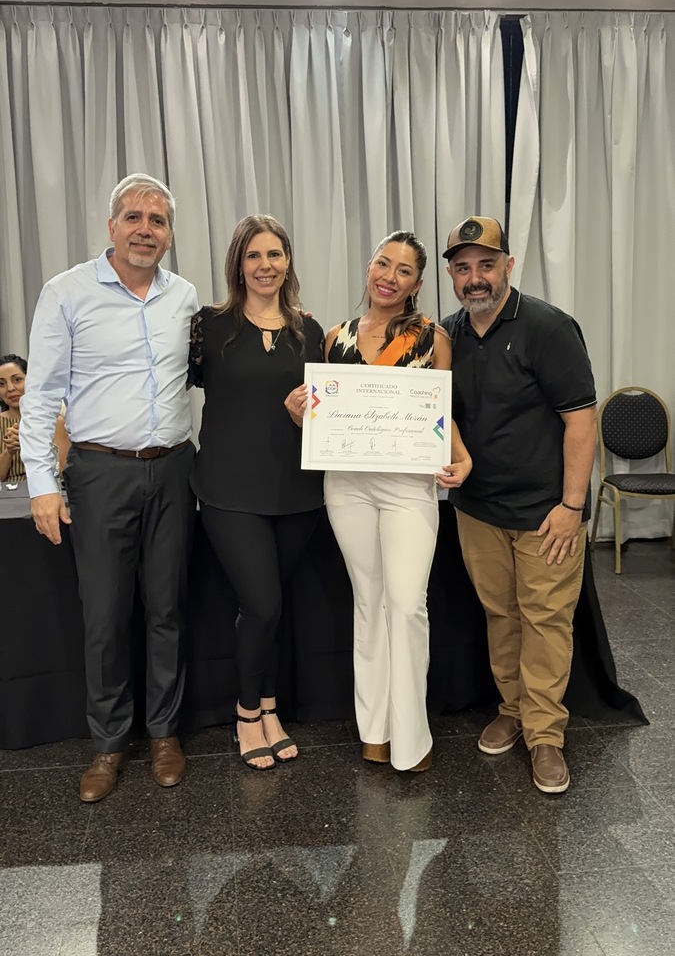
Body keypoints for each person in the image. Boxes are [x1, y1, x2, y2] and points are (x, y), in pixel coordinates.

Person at [20, 174, 198, 802]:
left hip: (174, 468)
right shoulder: (66, 292)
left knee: (168, 608)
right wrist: (42, 484)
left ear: (169, 233)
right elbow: (40, 395)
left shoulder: (184, 297)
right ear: (112, 226)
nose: (145, 230)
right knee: (104, 615)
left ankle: (165, 734)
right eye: (134, 217)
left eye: (157, 220)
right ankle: (107, 743)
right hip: (98, 472)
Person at [441, 215, 597, 794]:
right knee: (501, 615)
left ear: (509, 265)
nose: (475, 278)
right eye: (463, 268)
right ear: (452, 276)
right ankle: (513, 708)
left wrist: (572, 506)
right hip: (477, 509)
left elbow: (581, 419)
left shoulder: (547, 327)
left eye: (486, 265)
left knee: (546, 619)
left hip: (545, 513)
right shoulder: (447, 335)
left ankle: (546, 734)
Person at [324, 231, 472, 773]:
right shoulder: (334, 337)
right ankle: (374, 730)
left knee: (407, 605)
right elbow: (325, 414)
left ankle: (411, 736)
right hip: (347, 485)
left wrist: (461, 456)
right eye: (383, 264)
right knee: (369, 602)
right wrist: (301, 411)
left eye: (404, 270)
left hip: (409, 485)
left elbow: (440, 409)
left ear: (417, 284)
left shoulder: (433, 338)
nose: (390, 276)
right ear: (369, 267)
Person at [188, 215, 325, 770]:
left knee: (273, 607)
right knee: (261, 603)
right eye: (253, 255)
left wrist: (304, 415)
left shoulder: (310, 332)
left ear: (287, 262)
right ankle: (247, 714)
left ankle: (269, 707)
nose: (264, 266)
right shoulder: (209, 326)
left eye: (274, 255)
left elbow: (327, 413)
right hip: (228, 490)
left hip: (297, 491)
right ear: (237, 264)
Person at [0, 354, 70, 484]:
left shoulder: (54, 421)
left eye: (17, 380)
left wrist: (32, 442)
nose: (10, 388)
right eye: (1, 384)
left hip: (47, 489)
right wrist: (9, 451)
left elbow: (63, 473)